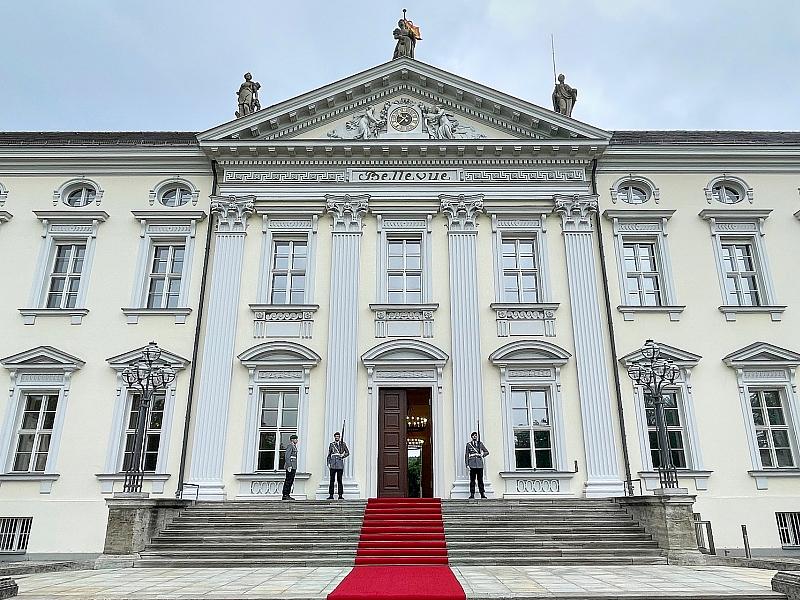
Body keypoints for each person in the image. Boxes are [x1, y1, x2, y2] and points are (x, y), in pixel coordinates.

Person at [464, 432, 489, 499]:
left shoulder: (480, 444)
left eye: (476, 436)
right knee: (472, 480)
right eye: (473, 436)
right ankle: (472, 494)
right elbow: (466, 455)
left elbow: (486, 452)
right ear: (471, 437)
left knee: (480, 480)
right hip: (472, 464)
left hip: (479, 464)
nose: (475, 437)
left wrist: (482, 455)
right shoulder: (468, 445)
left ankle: (482, 493)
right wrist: (467, 464)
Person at [327, 432, 350, 499]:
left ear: (339, 437)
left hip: (340, 464)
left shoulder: (343, 444)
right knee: (332, 480)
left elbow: (347, 452)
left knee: (339, 480)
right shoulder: (332, 445)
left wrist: (343, 455)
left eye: (338, 436)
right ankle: (331, 495)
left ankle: (340, 495)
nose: (337, 437)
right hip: (333, 464)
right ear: (334, 437)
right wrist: (328, 463)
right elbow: (329, 454)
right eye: (336, 436)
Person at [281, 434, 299, 500]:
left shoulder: (294, 446)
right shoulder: (290, 446)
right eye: (296, 439)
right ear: (292, 440)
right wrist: (289, 465)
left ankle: (288, 494)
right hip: (290, 465)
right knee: (288, 480)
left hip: (293, 466)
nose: (297, 440)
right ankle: (285, 494)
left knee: (291, 480)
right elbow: (287, 456)